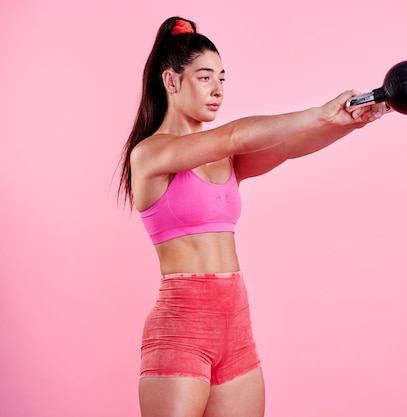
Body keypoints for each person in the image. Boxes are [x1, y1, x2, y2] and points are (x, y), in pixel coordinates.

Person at [118, 16, 386, 417]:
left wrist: (349, 121)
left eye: (222, 79)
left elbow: (289, 146)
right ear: (170, 82)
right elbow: (234, 135)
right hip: (182, 327)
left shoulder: (225, 160)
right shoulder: (151, 154)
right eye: (205, 78)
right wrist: (321, 111)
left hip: (236, 326)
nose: (217, 91)